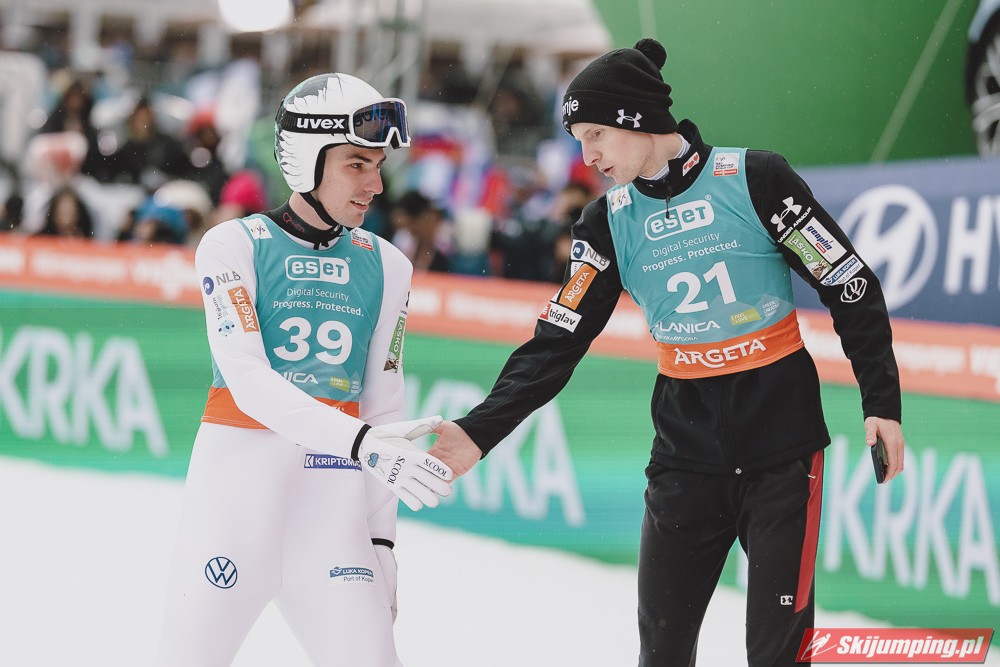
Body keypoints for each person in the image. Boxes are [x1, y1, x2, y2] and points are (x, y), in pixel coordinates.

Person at [429, 38, 905, 666]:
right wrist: (478, 431)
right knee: (662, 653)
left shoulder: (756, 179)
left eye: (595, 134)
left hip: (782, 455)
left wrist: (881, 401)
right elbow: (557, 341)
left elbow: (848, 282)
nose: (587, 155)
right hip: (685, 460)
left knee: (780, 656)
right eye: (579, 140)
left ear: (636, 118)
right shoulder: (606, 222)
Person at [157, 72, 454, 667]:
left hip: (332, 518)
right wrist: (363, 444)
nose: (375, 184)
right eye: (356, 164)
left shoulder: (389, 265)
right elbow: (247, 379)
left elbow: (383, 405)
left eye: (378, 166)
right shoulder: (231, 244)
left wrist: (381, 541)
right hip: (234, 506)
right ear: (306, 162)